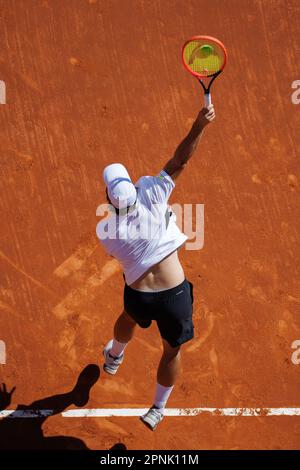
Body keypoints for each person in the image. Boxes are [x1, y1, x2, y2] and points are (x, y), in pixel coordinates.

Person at [97, 104, 215, 430]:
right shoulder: (150, 192)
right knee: (171, 352)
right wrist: (199, 125)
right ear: (133, 189)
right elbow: (180, 161)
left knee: (128, 317)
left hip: (138, 294)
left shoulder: (105, 231)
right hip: (174, 296)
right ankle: (157, 409)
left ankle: (115, 355)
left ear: (108, 199)